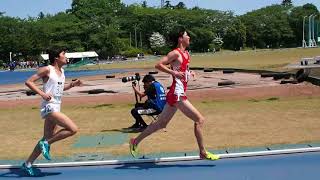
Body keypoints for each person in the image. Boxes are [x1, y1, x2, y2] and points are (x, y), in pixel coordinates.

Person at [129, 30, 219, 160]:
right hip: (177, 94)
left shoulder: (186, 54)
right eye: (186, 35)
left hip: (175, 94)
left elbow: (183, 70)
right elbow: (158, 65)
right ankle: (202, 152)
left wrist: (189, 72)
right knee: (199, 120)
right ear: (180, 39)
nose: (189, 37)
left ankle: (135, 142)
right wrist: (173, 73)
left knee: (161, 124)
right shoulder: (175, 53)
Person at [21, 48, 82, 176]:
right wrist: (42, 94)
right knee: (73, 129)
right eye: (63, 54)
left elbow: (58, 89)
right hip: (49, 106)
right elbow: (29, 82)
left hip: (57, 105)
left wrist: (72, 85)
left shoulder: (62, 71)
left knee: (47, 136)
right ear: (56, 57)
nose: (66, 56)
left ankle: (27, 164)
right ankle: (46, 144)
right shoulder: (47, 69)